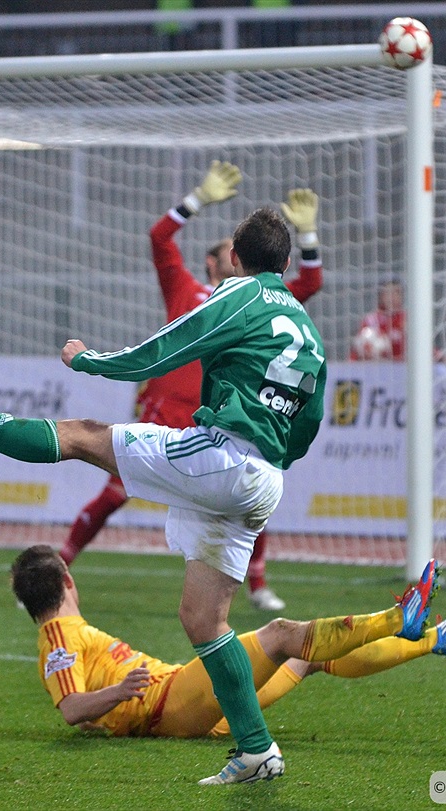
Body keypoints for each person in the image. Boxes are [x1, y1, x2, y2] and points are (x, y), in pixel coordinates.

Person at [0, 205, 433, 785]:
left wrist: (89, 360)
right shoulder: (306, 327)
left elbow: (163, 350)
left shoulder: (241, 296)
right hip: (264, 478)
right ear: (283, 261)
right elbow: (307, 423)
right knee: (203, 620)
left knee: (81, 437)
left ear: (235, 257)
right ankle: (256, 751)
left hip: (221, 456)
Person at [61, 160, 324, 613]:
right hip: (169, 412)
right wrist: (196, 200)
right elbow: (158, 238)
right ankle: (62, 561)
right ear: (216, 261)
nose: (234, 253)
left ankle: (257, 586)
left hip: (223, 419)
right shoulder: (187, 289)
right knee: (116, 490)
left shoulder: (263, 302)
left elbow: (311, 282)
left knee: (245, 495)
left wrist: (309, 237)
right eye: (226, 249)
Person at [11, 545, 446, 745]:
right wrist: (119, 693)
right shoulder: (58, 639)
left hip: (189, 704)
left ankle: (437, 638)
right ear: (68, 581)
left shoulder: (68, 634)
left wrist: (112, 705)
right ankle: (400, 617)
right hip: (169, 704)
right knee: (277, 634)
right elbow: (72, 709)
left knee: (303, 657)